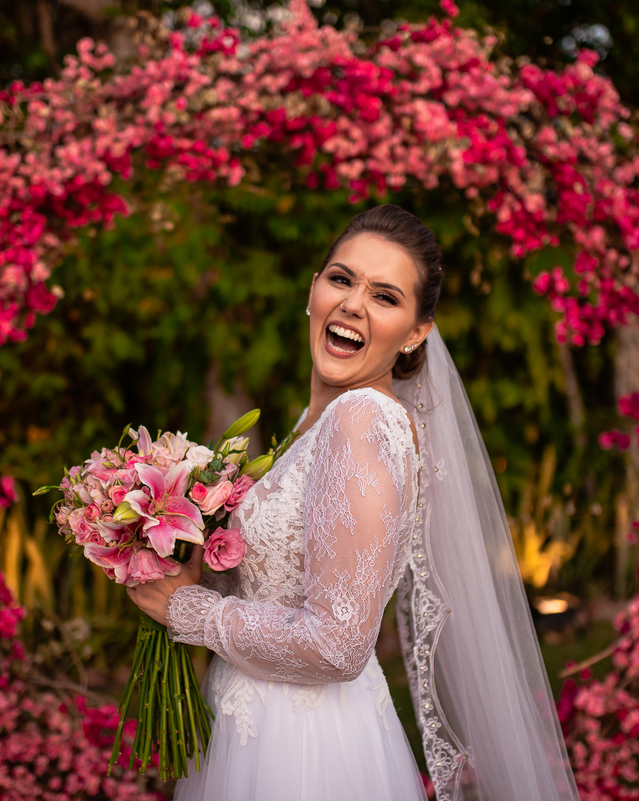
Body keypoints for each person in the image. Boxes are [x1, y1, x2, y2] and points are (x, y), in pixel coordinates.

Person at [125, 205, 581, 801]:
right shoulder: (312, 425)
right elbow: (278, 586)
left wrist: (188, 612)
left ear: (416, 333)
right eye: (342, 279)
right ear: (313, 290)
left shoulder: (360, 420)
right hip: (254, 723)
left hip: (301, 751)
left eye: (385, 297)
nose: (353, 305)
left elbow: (337, 644)